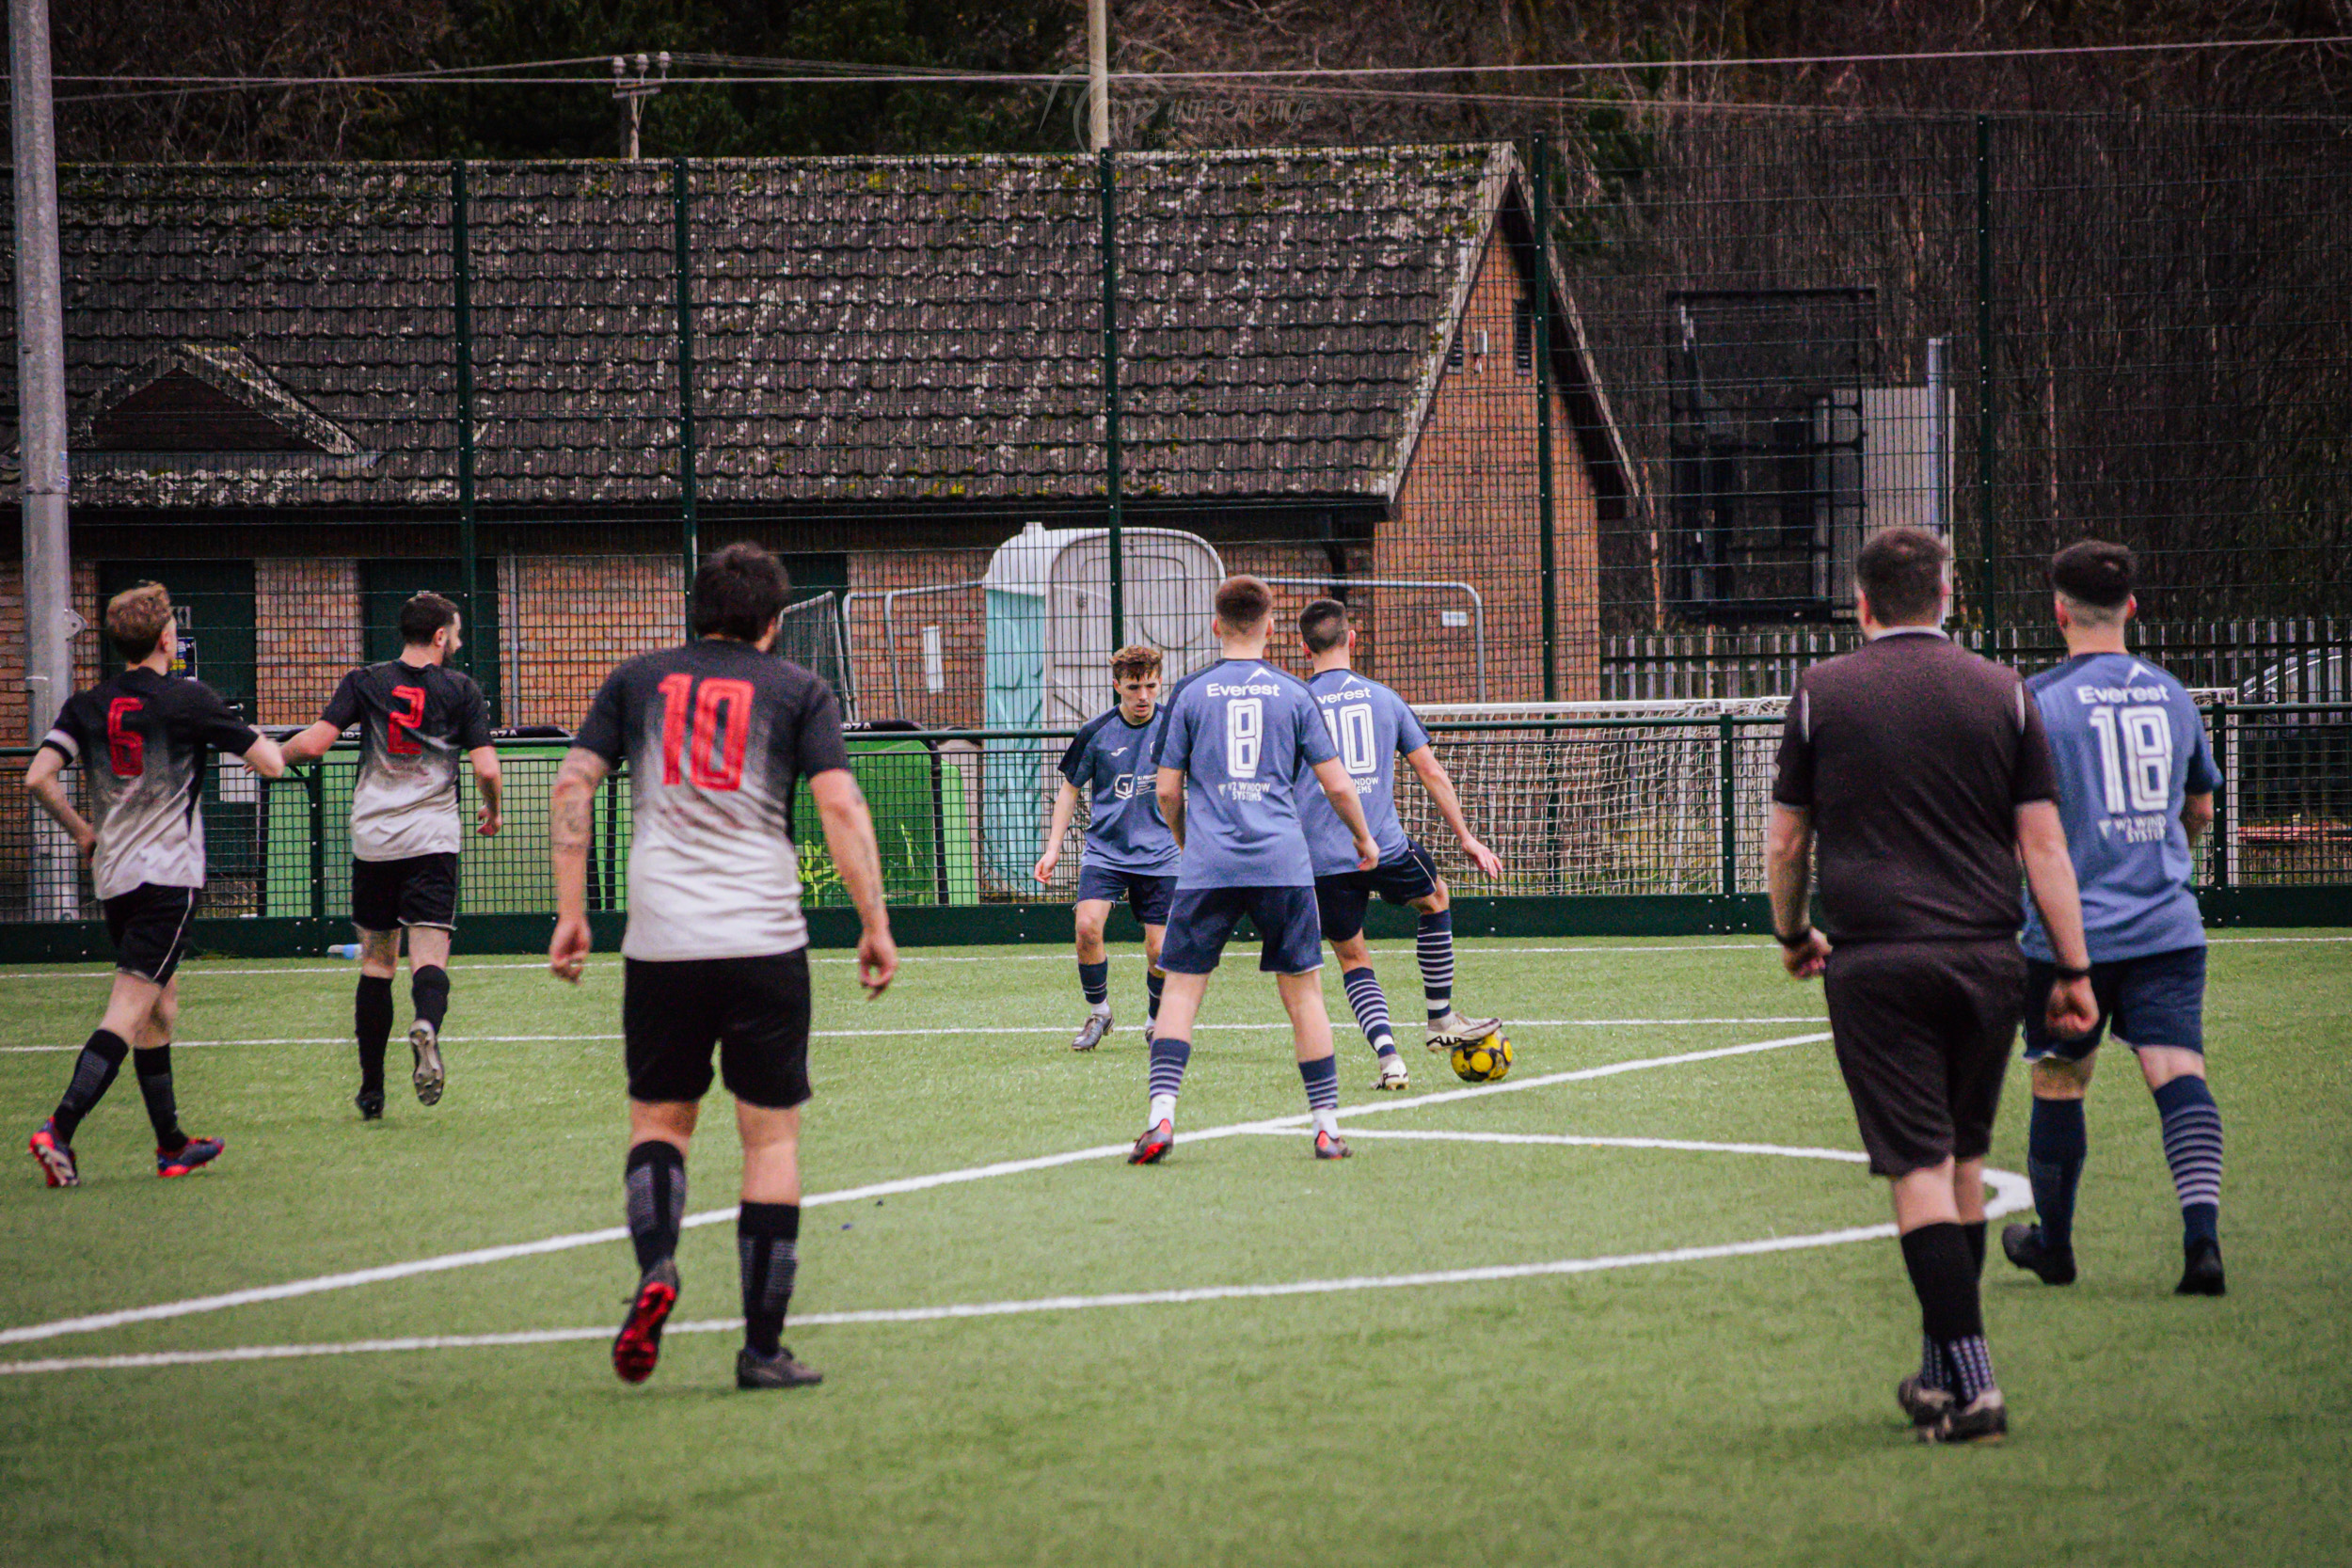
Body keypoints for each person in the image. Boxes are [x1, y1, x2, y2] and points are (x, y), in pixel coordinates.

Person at [1766, 527, 2099, 1445]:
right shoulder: (2006, 691)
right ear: (1946, 597)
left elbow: (1788, 841)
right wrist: (2072, 969)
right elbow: (2043, 846)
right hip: (1991, 962)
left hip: (1876, 963)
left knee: (1918, 1173)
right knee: (1957, 1168)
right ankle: (1939, 1374)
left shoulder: (1821, 692)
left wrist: (1792, 932)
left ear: (1862, 602)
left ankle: (1979, 1388)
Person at [548, 542, 897, 1392]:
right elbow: (841, 805)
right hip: (764, 940)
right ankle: (762, 1348)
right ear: (775, 624)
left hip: (662, 942)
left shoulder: (638, 680)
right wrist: (874, 923)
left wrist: (570, 910)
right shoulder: (799, 690)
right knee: (769, 1138)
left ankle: (659, 1265)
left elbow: (573, 782)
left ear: (693, 612)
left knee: (660, 1126)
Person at [2002, 540, 2228, 1297]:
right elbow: (2198, 805)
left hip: (2072, 935)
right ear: (2132, 608)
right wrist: (2165, 857)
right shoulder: (2171, 692)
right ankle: (2202, 1243)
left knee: (2061, 1077)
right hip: (2167, 923)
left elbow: (2023, 827)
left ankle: (2055, 1247)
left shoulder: (2037, 700)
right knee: (2177, 1070)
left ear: (2058, 611)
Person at [24, 582, 287, 1186]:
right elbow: (270, 764)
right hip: (166, 878)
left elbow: (39, 777)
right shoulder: (187, 699)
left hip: (114, 877)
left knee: (159, 1009)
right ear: (168, 638)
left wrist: (84, 833)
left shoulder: (86, 704)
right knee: (129, 1009)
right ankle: (59, 1130)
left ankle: (170, 1144)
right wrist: (254, 738)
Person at [1130, 575, 1381, 1164]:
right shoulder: (1297, 695)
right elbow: (1338, 783)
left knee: (1181, 993)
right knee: (1305, 997)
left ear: (1216, 626)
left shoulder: (1189, 695)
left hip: (1208, 866)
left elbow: (1167, 792)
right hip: (1283, 865)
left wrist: (1189, 842)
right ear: (1271, 628)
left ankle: (1160, 1121)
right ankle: (1326, 1128)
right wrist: (1364, 839)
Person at [282, 593, 501, 1118]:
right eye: (457, 633)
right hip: (431, 842)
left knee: (378, 965)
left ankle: (371, 1091)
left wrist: (271, 754)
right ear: (442, 636)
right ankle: (426, 1022)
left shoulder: (365, 680)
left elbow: (313, 745)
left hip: (374, 842)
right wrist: (492, 810)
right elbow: (488, 770)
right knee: (429, 958)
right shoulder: (462, 690)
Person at [1294, 598, 1505, 1090]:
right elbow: (1430, 771)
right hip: (1385, 847)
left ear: (1305, 649)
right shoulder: (1384, 697)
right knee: (1435, 898)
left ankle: (1389, 1058)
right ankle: (1440, 1019)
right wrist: (1467, 838)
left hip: (1322, 859)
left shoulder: (1295, 701)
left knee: (1353, 958)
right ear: (1352, 639)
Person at [1033, 644, 1180, 1052]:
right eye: (1133, 687)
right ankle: (1100, 1013)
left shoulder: (1176, 727)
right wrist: (1053, 848)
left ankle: (1156, 1021)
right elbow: (1068, 789)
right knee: (1086, 928)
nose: (1143, 697)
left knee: (1160, 949)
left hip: (1163, 854)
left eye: (1150, 685)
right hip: (1106, 853)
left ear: (1159, 682)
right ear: (1116, 686)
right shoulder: (1095, 732)